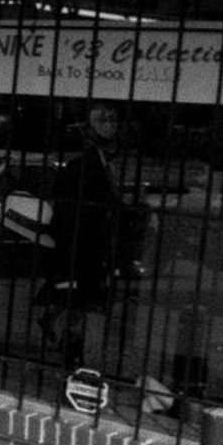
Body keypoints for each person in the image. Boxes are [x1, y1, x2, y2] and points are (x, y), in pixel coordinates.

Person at [36, 102, 147, 373]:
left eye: (113, 121)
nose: (112, 127)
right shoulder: (83, 165)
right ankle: (72, 351)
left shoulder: (100, 163)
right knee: (80, 296)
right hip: (83, 244)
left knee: (79, 298)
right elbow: (71, 207)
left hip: (91, 245)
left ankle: (66, 340)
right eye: (105, 122)